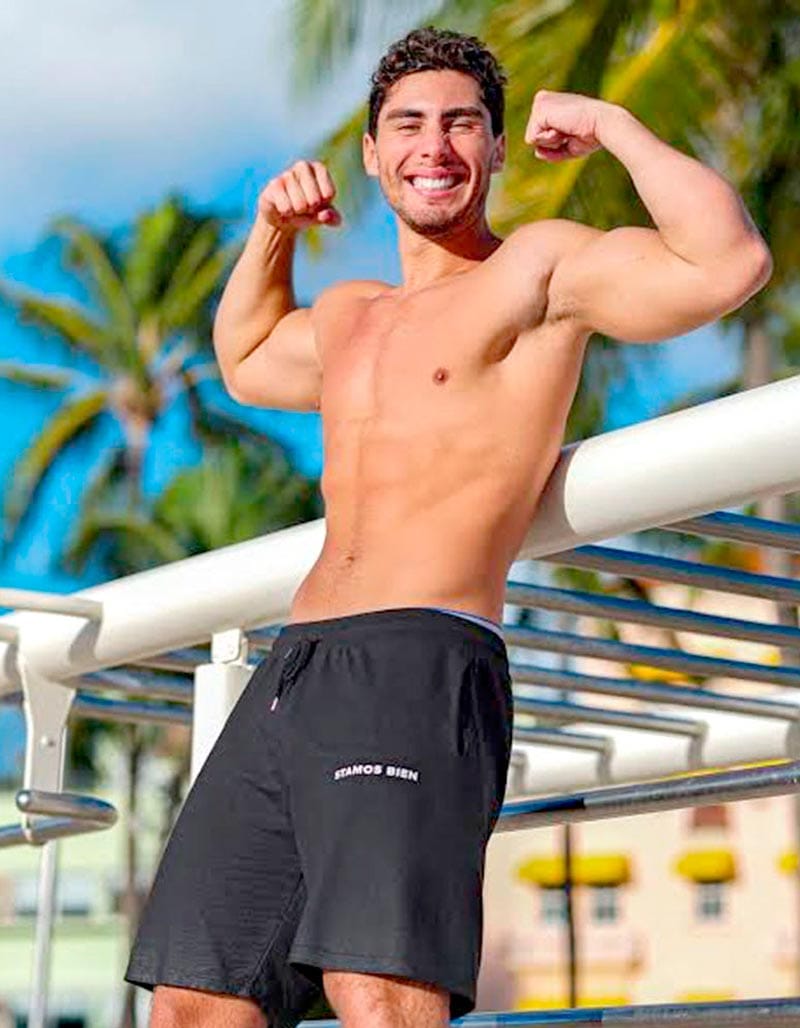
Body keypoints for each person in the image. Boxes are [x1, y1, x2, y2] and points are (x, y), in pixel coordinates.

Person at [124, 25, 771, 1028]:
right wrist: (272, 229)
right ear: (372, 152)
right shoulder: (351, 315)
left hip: (419, 658)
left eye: (462, 123)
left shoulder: (537, 273)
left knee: (380, 994)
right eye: (409, 124)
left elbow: (726, 262)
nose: (435, 145)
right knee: (195, 1002)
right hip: (294, 669)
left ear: (497, 148)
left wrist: (611, 125)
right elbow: (245, 358)